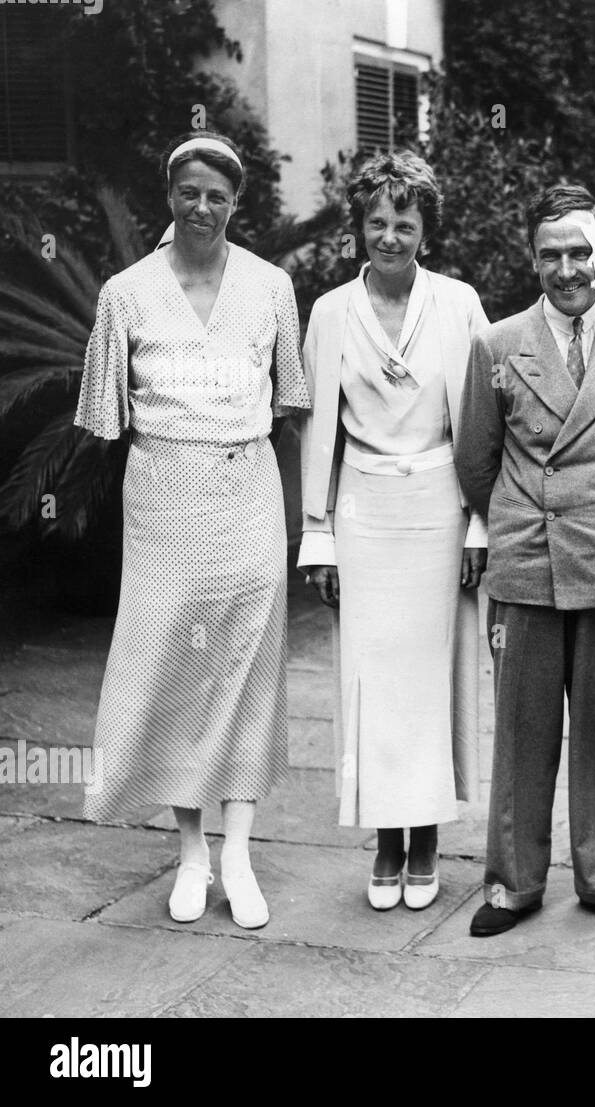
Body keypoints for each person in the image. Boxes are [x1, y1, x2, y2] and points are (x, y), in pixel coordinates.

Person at [75, 130, 310, 929]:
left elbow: (288, 405)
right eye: (189, 192)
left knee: (247, 669)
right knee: (174, 669)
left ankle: (237, 852)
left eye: (218, 194)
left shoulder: (273, 287)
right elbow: (105, 420)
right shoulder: (125, 293)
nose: (202, 206)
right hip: (164, 503)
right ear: (168, 195)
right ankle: (190, 854)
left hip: (248, 498)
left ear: (236, 202)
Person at [457, 184, 595, 936]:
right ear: (533, 259)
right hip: (527, 556)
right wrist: (520, 519)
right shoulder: (496, 344)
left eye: (579, 251)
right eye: (550, 253)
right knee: (521, 727)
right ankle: (514, 881)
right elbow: (475, 459)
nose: (566, 268)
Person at [297, 151, 488, 911]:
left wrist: (480, 522)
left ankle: (428, 841)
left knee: (435, 674)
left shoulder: (460, 303)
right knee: (371, 682)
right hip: (365, 513)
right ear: (359, 229)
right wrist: (319, 534)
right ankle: (385, 842)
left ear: (425, 229)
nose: (389, 235)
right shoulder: (330, 312)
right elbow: (318, 432)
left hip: (442, 507)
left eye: (404, 221)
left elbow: (478, 421)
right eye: (376, 221)